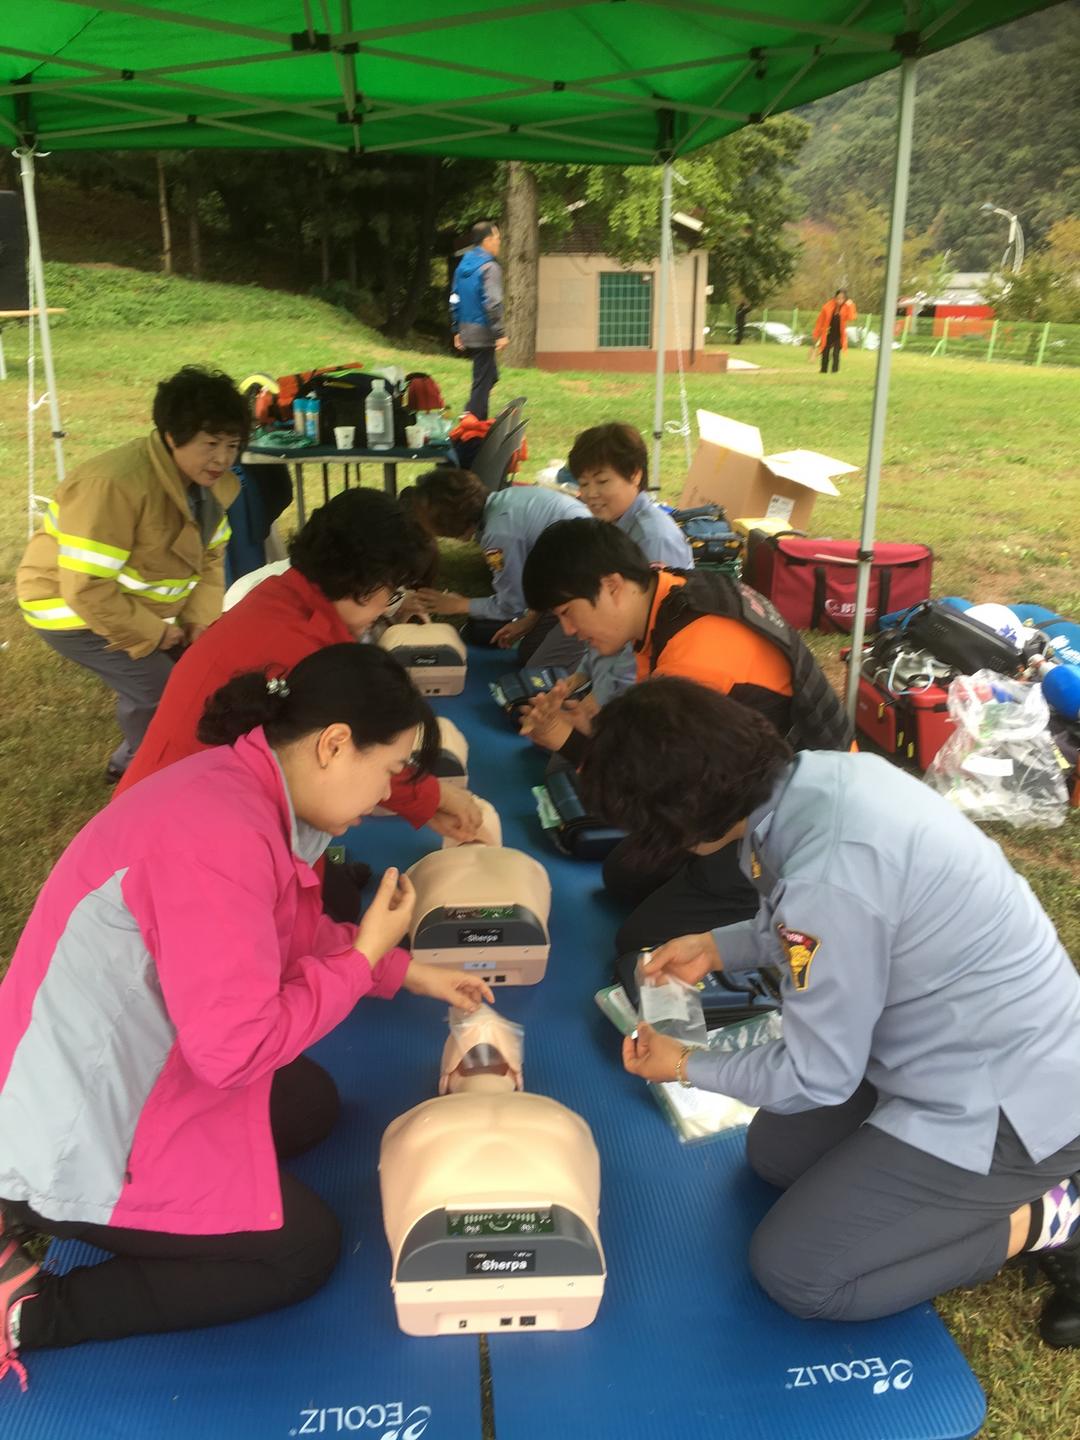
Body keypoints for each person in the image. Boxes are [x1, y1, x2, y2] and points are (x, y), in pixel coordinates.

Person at [0, 644, 496, 1392]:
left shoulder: (244, 791)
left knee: (310, 1103)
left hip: (137, 1064)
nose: (387, 794)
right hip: (71, 1127)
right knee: (300, 1250)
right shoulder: (218, 834)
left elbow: (280, 937)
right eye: (390, 769)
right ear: (334, 744)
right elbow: (233, 1053)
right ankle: (32, 1310)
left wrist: (404, 971)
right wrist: (364, 955)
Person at [587, 677, 1080, 1339]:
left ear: (680, 820)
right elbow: (824, 926)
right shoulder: (819, 778)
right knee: (776, 1155)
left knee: (798, 1272)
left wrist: (686, 1065)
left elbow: (816, 1074)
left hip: (1011, 1106)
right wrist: (718, 946)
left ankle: (1048, 1216)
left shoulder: (830, 877)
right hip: (939, 1047)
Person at [519, 519, 852, 953]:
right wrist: (592, 727)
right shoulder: (670, 593)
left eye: (567, 612)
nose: (568, 630)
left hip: (792, 825)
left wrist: (568, 742)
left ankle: (774, 906)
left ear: (613, 586)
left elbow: (660, 787)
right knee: (623, 875)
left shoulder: (695, 655)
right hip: (746, 785)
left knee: (643, 942)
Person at [115, 487, 483, 859]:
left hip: (169, 805)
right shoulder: (299, 649)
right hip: (175, 838)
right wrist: (433, 796)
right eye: (391, 592)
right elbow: (358, 752)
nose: (387, 606)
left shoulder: (284, 597)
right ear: (362, 579)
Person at [16, 366, 248, 782]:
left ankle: (133, 762)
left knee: (194, 677)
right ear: (172, 436)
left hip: (129, 608)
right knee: (161, 692)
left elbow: (211, 558)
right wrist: (155, 634)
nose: (222, 459)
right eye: (211, 444)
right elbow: (85, 589)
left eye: (232, 445)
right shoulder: (113, 485)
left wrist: (198, 621)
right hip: (67, 609)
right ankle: (147, 776)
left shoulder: (210, 485)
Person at [503, 422, 692, 711]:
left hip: (638, 677)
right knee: (533, 675)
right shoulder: (613, 522)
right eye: (584, 483)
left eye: (602, 482)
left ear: (635, 475)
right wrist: (582, 674)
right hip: (603, 637)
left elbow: (648, 639)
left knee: (541, 698)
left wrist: (598, 703)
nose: (591, 493)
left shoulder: (655, 538)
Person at [404, 467, 589, 669]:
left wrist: (458, 605)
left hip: (586, 590)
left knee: (539, 670)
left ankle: (589, 664)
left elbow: (511, 604)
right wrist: (531, 619)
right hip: (572, 578)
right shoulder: (505, 499)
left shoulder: (499, 534)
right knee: (527, 652)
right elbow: (540, 578)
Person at [450, 220, 508, 421]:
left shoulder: (462, 265)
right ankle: (472, 420)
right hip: (484, 330)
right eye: (497, 238)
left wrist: (457, 329)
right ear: (487, 240)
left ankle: (474, 414)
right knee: (482, 380)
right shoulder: (490, 268)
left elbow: (454, 297)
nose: (499, 242)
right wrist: (500, 333)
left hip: (466, 329)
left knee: (490, 375)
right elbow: (493, 303)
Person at [813, 288, 857, 374]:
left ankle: (835, 371)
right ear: (835, 297)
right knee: (825, 351)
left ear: (845, 299)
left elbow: (852, 317)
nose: (839, 300)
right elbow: (820, 321)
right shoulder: (827, 306)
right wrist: (817, 334)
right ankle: (823, 370)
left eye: (842, 298)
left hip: (839, 335)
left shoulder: (847, 307)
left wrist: (851, 305)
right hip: (828, 333)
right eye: (838, 298)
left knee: (836, 353)